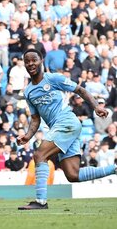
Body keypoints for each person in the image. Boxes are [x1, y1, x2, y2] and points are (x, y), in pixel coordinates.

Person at [17, 49, 116, 210]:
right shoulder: (28, 91)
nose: (30, 64)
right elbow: (35, 118)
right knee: (72, 174)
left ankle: (41, 201)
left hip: (67, 122)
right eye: (27, 61)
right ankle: (114, 169)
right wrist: (28, 136)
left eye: (33, 60)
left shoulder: (53, 78)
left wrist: (96, 106)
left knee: (39, 155)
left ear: (41, 60)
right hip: (62, 128)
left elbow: (80, 90)